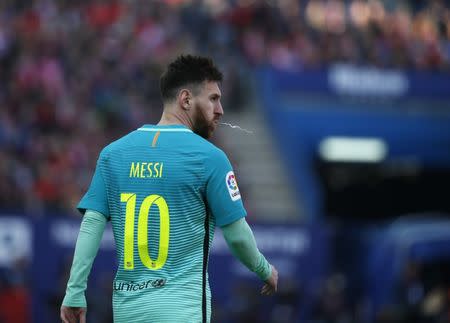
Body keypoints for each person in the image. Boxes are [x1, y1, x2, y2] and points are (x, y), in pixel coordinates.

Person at [60, 54, 278, 323]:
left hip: (128, 312)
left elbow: (91, 225)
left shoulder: (112, 154)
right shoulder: (209, 158)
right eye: (213, 99)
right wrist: (264, 269)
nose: (220, 109)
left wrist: (75, 292)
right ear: (186, 99)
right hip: (181, 312)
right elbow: (237, 236)